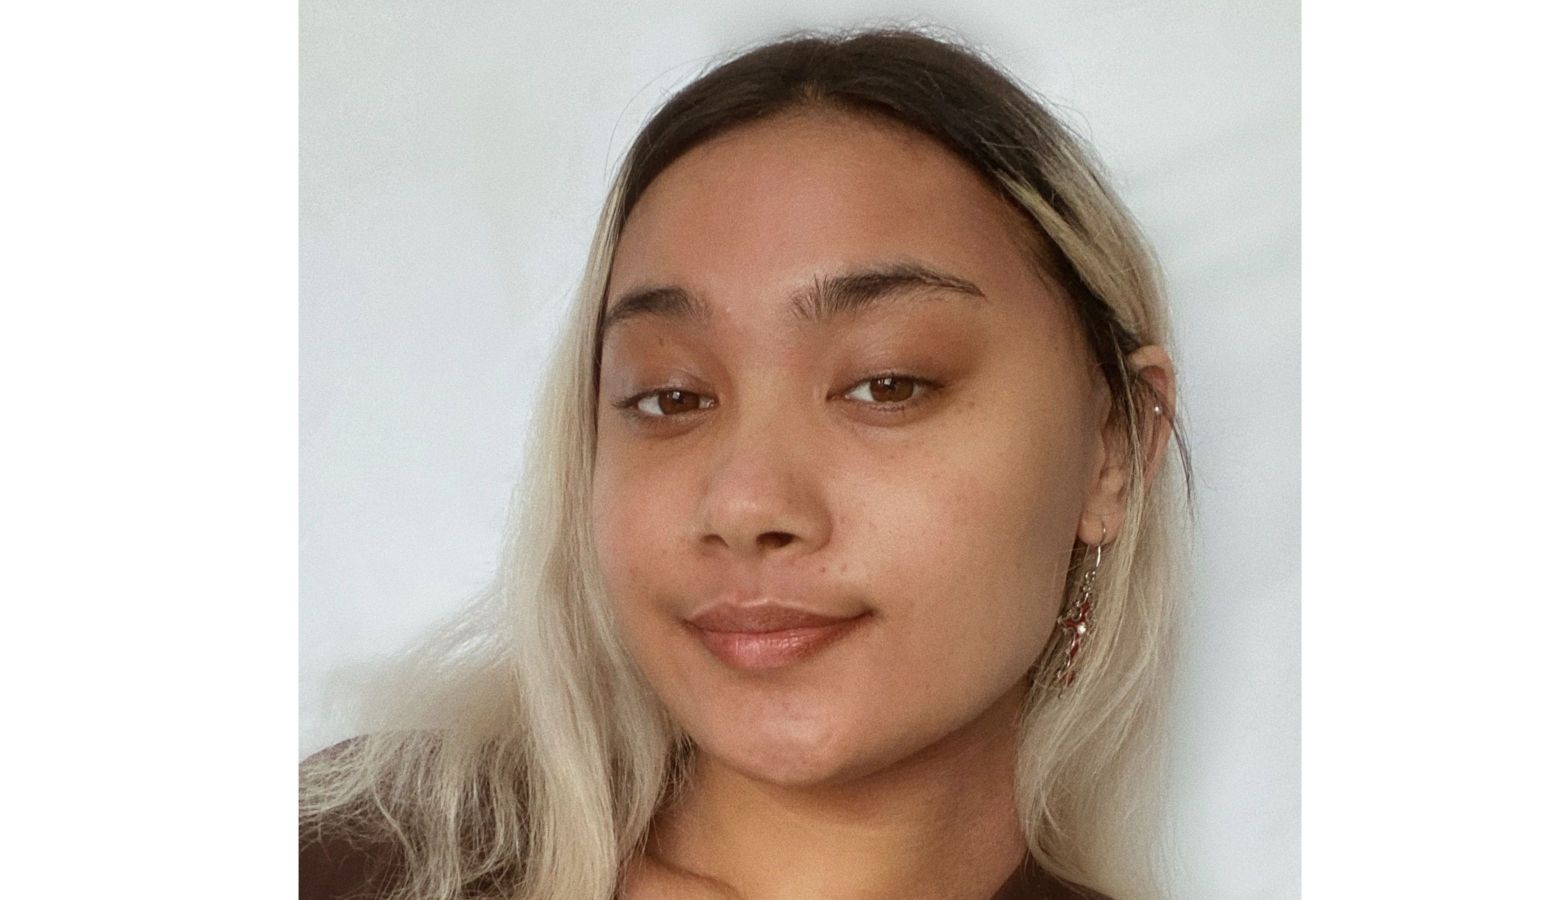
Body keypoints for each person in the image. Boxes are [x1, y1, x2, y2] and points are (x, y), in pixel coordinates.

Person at [301, 27, 1188, 900]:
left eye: (888, 384)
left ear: (1111, 451)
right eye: (671, 397)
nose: (744, 501)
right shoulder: (337, 862)